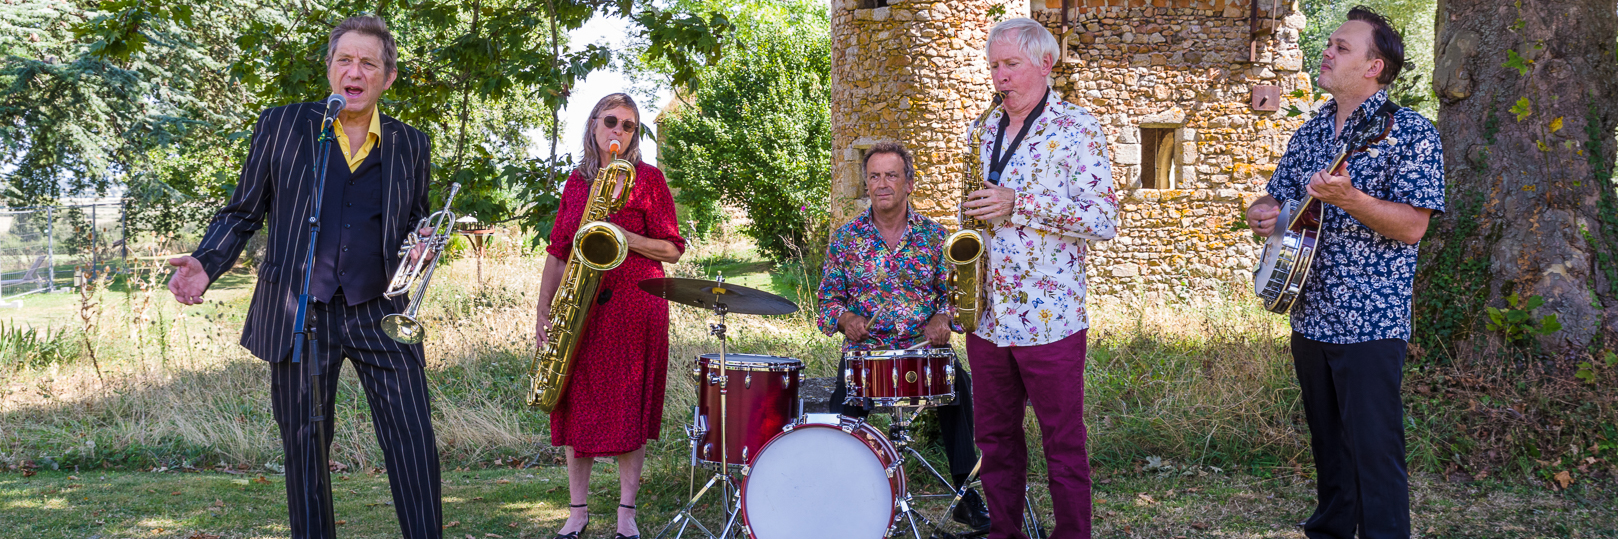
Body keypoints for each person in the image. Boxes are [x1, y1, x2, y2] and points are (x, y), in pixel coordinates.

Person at [166, 15, 442, 539]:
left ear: (388, 76)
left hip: (380, 311)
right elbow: (244, 210)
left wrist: (422, 245)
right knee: (306, 444)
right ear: (330, 68)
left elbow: (413, 221)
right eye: (345, 60)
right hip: (299, 312)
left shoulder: (411, 144)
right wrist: (207, 261)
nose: (354, 72)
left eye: (368, 63)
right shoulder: (283, 126)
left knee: (413, 437)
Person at [1245, 7, 1443, 539]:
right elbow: (1278, 198)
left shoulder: (1411, 134)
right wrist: (1263, 212)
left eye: (1341, 47)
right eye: (1328, 44)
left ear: (1374, 66)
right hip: (1309, 314)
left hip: (1371, 320)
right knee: (1328, 449)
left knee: (1375, 453)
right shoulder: (1310, 133)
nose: (1327, 52)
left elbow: (1411, 227)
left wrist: (1351, 199)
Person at [959, 17, 1119, 539]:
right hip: (988, 315)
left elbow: (1103, 220)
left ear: (1045, 64)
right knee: (996, 442)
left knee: (1063, 443)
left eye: (1011, 65)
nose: (1000, 77)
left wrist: (1018, 204)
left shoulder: (1078, 128)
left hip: (1049, 316)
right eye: (994, 66)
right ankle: (1006, 532)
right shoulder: (984, 129)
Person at [817, 141, 992, 533]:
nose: (882, 184)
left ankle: (968, 497)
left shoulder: (935, 236)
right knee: (839, 413)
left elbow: (957, 298)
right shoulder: (846, 239)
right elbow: (826, 304)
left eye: (891, 175)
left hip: (923, 352)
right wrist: (845, 318)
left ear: (909, 183)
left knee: (958, 388)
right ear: (866, 184)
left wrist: (943, 318)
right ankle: (835, 495)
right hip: (867, 355)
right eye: (874, 176)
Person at [534, 93, 686, 539]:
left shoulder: (650, 180)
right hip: (581, 305)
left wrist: (624, 235)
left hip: (636, 307)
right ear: (594, 125)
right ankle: (577, 512)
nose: (618, 131)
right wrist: (542, 309)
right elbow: (559, 250)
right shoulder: (577, 183)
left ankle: (626, 514)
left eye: (628, 126)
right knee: (573, 402)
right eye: (611, 121)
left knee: (628, 409)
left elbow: (673, 249)